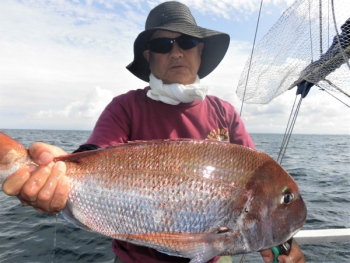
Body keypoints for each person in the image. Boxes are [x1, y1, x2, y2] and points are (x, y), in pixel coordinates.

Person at [2, 2, 306, 263]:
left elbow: (261, 192)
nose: (176, 53)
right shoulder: (125, 107)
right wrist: (55, 171)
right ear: (148, 56)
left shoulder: (224, 112)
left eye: (186, 42)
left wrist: (281, 242)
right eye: (163, 45)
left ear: (200, 51)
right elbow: (87, 159)